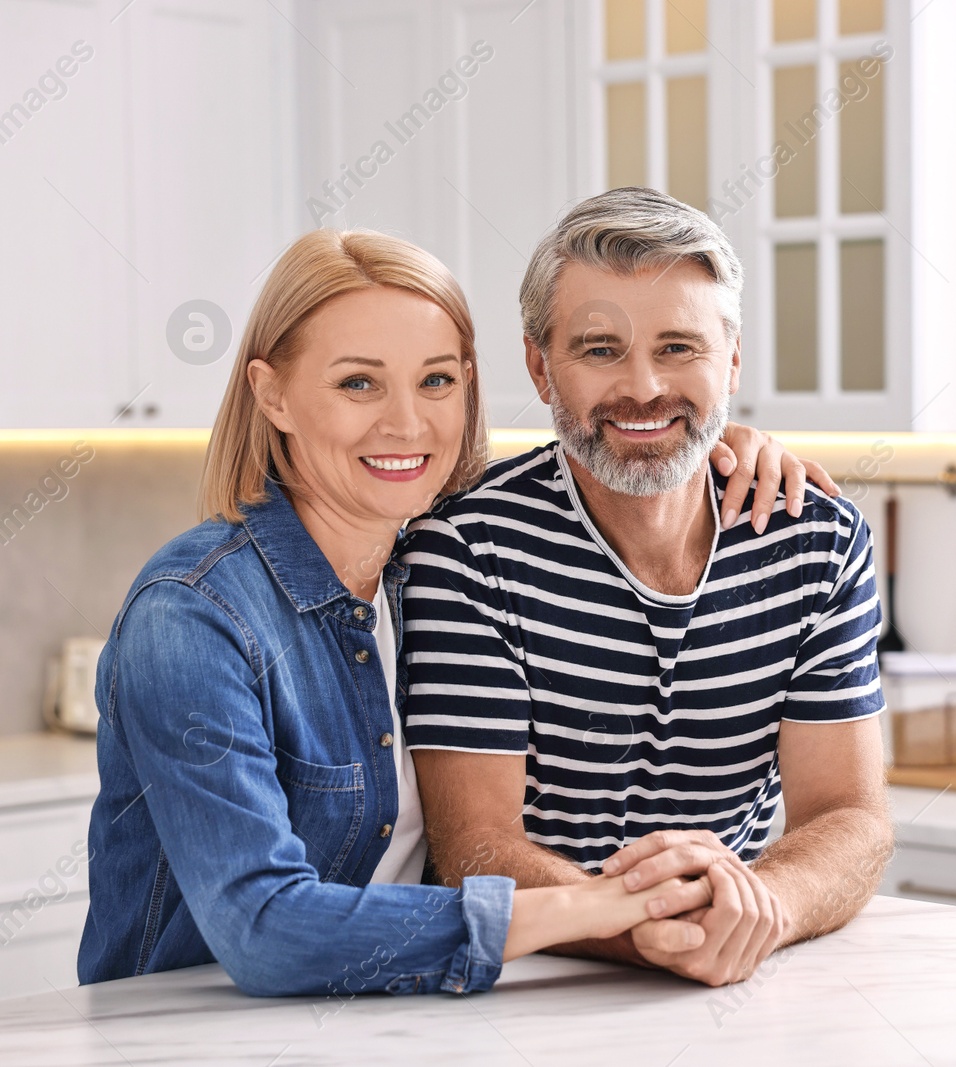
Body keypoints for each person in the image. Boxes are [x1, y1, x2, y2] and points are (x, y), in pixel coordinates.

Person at [77, 226, 834, 996]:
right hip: (191, 1037)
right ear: (272, 394)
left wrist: (716, 442)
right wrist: (597, 904)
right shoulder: (192, 617)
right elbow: (265, 928)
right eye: (358, 384)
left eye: (436, 381)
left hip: (394, 1024)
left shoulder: (429, 571)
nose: (407, 423)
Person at [403, 187, 895, 989]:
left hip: (735, 978)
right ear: (539, 365)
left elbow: (850, 815)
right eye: (600, 350)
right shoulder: (467, 551)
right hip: (527, 992)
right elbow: (475, 849)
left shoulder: (817, 543)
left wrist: (763, 904)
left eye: (678, 347)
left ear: (731, 358)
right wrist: (654, 929)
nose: (642, 387)